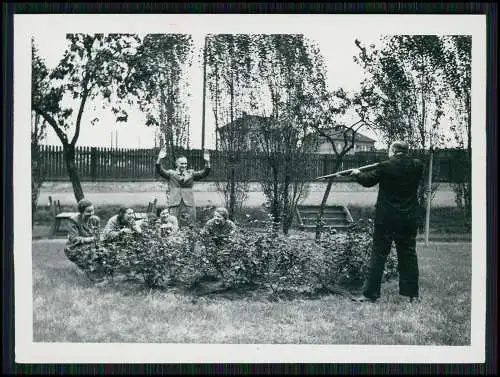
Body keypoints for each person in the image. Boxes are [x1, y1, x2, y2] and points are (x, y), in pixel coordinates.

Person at [349, 141, 424, 303]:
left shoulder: (385, 166)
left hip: (387, 220)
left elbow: (368, 180)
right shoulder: (417, 166)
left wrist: (356, 173)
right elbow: (409, 165)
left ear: (393, 151)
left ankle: (370, 294)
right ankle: (412, 295)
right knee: (409, 255)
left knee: (379, 255)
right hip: (409, 219)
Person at [155, 148, 211, 227]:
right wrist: (159, 159)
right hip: (175, 202)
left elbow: (204, 173)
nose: (184, 165)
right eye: (182, 163)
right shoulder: (171, 174)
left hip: (188, 203)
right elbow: (160, 170)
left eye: (185, 163)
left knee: (190, 224)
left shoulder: (191, 173)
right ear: (176, 164)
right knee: (172, 223)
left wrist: (207, 161)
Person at [64, 198, 101, 272]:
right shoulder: (74, 221)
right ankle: (82, 267)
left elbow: (98, 235)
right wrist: (90, 239)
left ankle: (91, 266)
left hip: (91, 246)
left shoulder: (95, 220)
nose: (91, 213)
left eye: (92, 211)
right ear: (81, 211)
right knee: (86, 266)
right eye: (88, 211)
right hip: (74, 247)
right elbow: (74, 239)